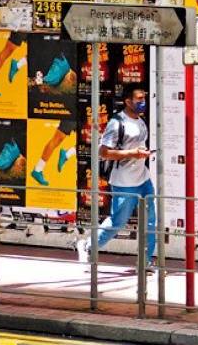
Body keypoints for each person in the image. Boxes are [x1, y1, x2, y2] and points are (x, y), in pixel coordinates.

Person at [75, 89, 156, 267]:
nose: (143, 102)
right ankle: (87, 246)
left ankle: (146, 262)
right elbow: (103, 152)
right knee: (118, 222)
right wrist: (132, 153)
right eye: (139, 99)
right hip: (124, 182)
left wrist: (142, 154)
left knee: (150, 222)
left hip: (143, 179)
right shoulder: (116, 123)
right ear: (128, 101)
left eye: (144, 98)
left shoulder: (141, 121)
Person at [30, 120, 77, 187]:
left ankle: (67, 154)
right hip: (74, 116)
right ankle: (37, 170)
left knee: (88, 140)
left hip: (82, 116)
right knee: (57, 139)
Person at [0, 32, 28, 97]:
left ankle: (17, 65)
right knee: (7, 50)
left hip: (28, 27)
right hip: (21, 27)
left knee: (37, 47)